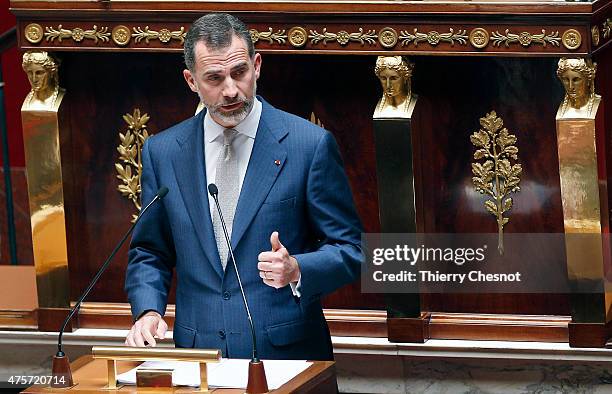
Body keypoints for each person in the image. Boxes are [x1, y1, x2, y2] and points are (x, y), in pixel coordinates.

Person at [124, 13, 363, 361]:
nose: (231, 90)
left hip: (286, 355)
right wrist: (148, 310)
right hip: (199, 358)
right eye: (214, 78)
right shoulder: (163, 153)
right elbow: (150, 251)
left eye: (239, 72)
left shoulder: (308, 145)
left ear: (257, 65)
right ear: (192, 80)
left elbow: (352, 248)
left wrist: (297, 268)